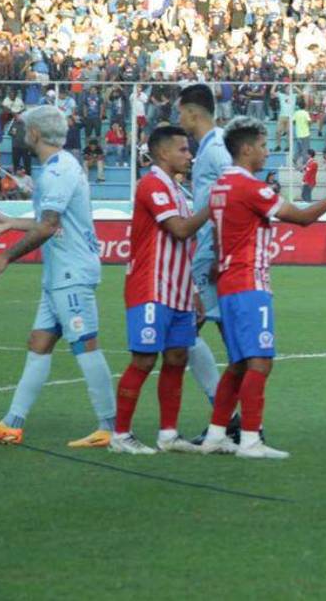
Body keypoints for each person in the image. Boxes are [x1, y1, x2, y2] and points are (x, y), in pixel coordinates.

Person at [198, 117, 326, 459]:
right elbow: (303, 218)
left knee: (238, 364)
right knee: (259, 362)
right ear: (246, 149)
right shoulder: (251, 187)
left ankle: (215, 435)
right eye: (261, 145)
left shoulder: (220, 186)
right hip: (249, 282)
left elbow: (215, 234)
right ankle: (250, 440)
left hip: (228, 280)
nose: (266, 151)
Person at [0, 105, 116, 448]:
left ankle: (111, 428)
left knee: (85, 344)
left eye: (25, 128)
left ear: (36, 133)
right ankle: (12, 424)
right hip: (60, 273)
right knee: (39, 343)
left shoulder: (57, 171)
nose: (22, 134)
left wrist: (4, 257)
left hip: (71, 272)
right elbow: (49, 220)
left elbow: (49, 225)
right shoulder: (61, 165)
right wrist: (12, 223)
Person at [110, 126, 211, 455]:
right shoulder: (151, 184)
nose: (189, 155)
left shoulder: (176, 189)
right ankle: (120, 435)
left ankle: (168, 434)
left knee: (177, 357)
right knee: (143, 360)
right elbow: (179, 230)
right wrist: (213, 206)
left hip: (178, 289)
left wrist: (193, 291)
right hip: (151, 287)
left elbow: (182, 245)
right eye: (183, 149)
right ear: (163, 153)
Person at [177, 84, 233, 438]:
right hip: (214, 248)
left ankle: (231, 419)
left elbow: (232, 195)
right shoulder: (212, 147)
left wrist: (220, 251)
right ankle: (238, 422)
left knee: (184, 331)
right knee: (231, 338)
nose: (178, 118)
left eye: (180, 112)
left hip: (214, 252)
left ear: (192, 113)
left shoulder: (216, 149)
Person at [292, 99, 312, 166]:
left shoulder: (296, 113)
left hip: (298, 134)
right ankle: (305, 163)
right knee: (305, 149)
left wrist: (298, 124)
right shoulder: (306, 113)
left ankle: (295, 158)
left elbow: (293, 121)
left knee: (299, 148)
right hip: (305, 133)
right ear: (305, 106)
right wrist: (308, 125)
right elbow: (309, 121)